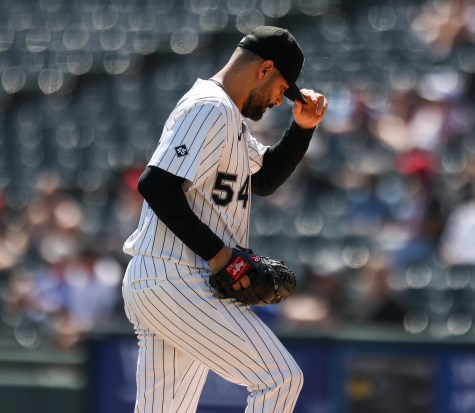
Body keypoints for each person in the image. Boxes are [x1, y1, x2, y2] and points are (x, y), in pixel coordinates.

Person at [121, 26, 327, 413]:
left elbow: (263, 179)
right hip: (175, 277)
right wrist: (221, 257)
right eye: (283, 87)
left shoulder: (228, 118)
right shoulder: (209, 107)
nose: (282, 99)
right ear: (265, 69)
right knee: (279, 379)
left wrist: (302, 129)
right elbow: (156, 185)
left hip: (168, 280)